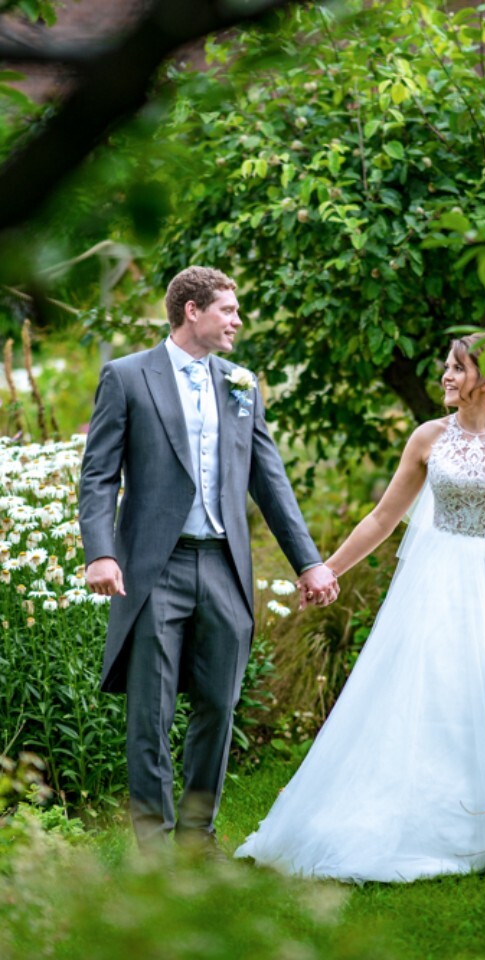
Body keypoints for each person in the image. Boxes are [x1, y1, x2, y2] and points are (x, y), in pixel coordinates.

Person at [235, 333, 485, 882]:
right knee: (435, 687)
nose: (445, 376)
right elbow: (381, 518)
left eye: (457, 368)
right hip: (437, 582)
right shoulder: (427, 438)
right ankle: (423, 812)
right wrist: (325, 568)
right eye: (446, 366)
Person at [79, 265, 338, 856]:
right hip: (153, 570)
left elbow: (269, 480)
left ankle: (197, 838)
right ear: (191, 311)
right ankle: (154, 846)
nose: (237, 321)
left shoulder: (242, 382)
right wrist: (101, 552)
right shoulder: (126, 377)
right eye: (228, 309)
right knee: (152, 708)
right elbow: (98, 476)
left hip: (224, 566)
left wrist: (309, 563)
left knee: (219, 706)